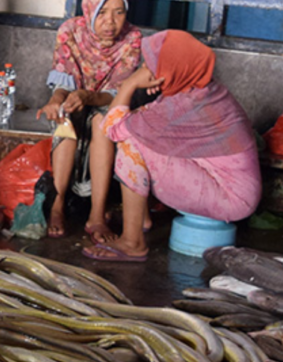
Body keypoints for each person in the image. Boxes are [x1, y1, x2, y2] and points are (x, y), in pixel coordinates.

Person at [83, 30, 261, 262]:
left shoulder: (182, 105)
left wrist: (129, 85)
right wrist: (164, 91)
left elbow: (112, 130)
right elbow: (146, 118)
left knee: (131, 142)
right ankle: (141, 220)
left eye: (152, 65)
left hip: (231, 197)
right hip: (234, 186)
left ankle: (132, 242)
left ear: (172, 68)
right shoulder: (201, 88)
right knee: (139, 130)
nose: (146, 70)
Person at [36, 0, 143, 241]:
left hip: (107, 103)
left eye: (119, 12)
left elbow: (117, 95)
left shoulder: (132, 38)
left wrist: (87, 96)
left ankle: (96, 214)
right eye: (103, 12)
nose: (110, 21)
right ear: (90, 9)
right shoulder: (70, 32)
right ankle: (57, 206)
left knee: (102, 124)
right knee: (65, 118)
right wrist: (56, 101)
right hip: (74, 98)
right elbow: (62, 81)